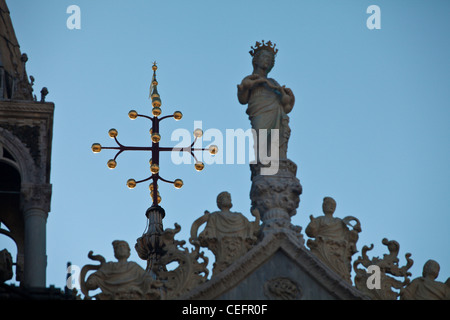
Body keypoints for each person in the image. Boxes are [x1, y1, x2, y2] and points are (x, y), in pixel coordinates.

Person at [237, 41, 295, 160]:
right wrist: (251, 85)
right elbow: (242, 99)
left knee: (277, 138)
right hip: (259, 112)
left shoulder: (274, 82)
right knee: (260, 136)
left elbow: (286, 107)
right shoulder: (250, 79)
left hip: (275, 113)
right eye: (265, 57)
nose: (267, 60)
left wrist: (291, 97)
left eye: (270, 59)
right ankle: (263, 162)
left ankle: (277, 160)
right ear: (256, 60)